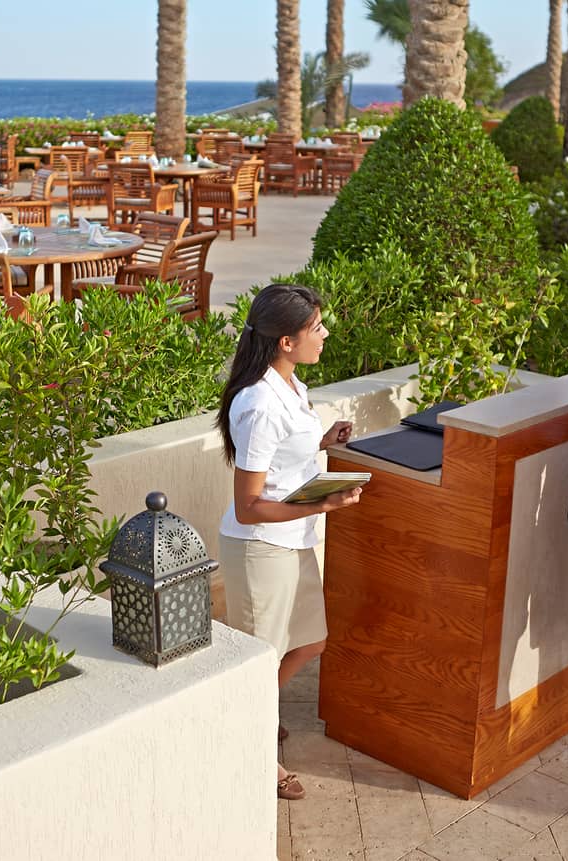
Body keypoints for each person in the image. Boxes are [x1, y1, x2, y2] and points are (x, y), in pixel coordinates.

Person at [215, 284, 359, 802]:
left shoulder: (290, 386)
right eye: (316, 327)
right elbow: (248, 505)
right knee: (261, 656)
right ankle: (255, 749)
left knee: (311, 642)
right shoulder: (257, 403)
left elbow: (281, 456)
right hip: (261, 548)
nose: (324, 334)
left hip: (291, 539)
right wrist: (325, 505)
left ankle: (255, 711)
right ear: (286, 342)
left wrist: (323, 442)